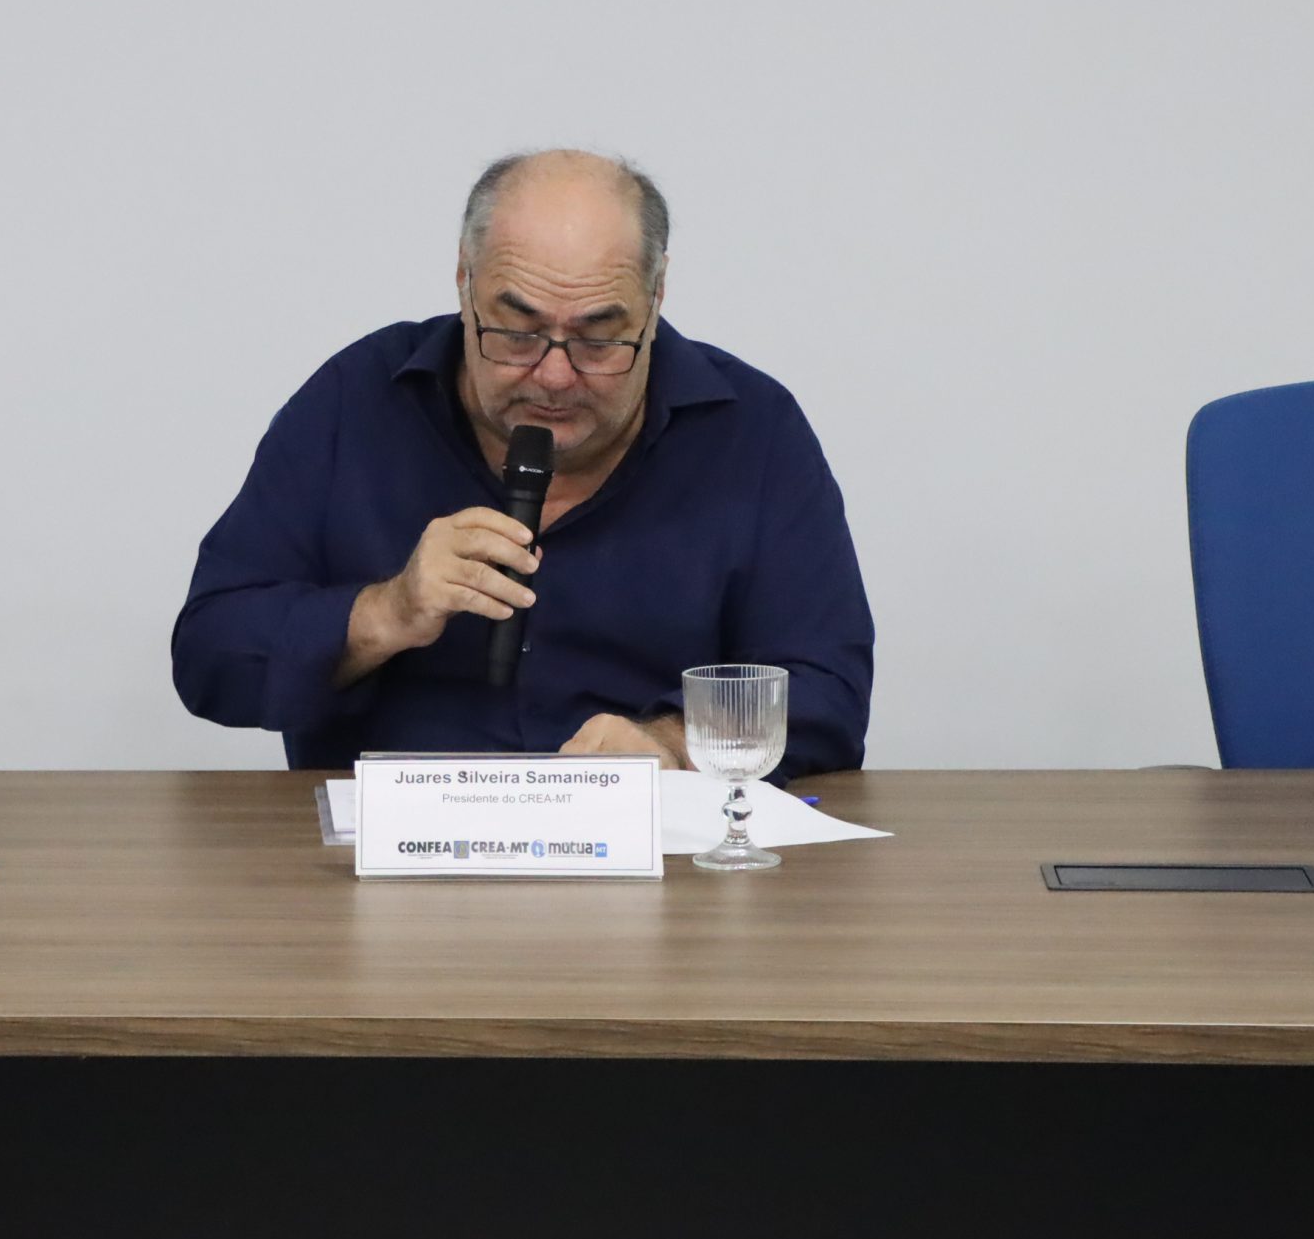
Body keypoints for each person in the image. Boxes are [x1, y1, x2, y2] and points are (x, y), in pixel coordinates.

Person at [171, 149, 872, 778]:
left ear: (655, 300)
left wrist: (671, 743)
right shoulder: (355, 403)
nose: (555, 376)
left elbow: (828, 690)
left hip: (658, 859)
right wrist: (386, 611)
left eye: (599, 339)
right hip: (395, 859)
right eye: (517, 332)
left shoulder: (751, 430)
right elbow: (209, 656)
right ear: (463, 282)